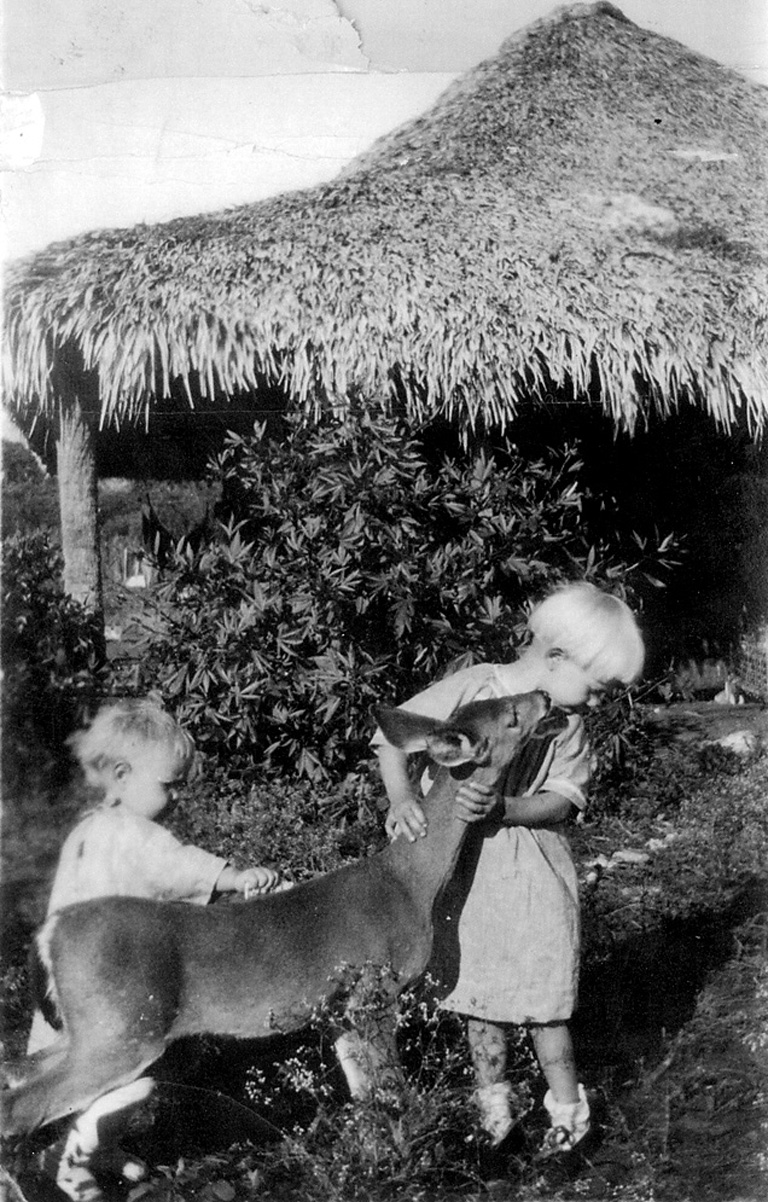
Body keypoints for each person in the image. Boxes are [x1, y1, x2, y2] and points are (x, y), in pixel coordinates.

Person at [375, 582, 644, 1162]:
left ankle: (569, 1118)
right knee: (479, 997)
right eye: (598, 689)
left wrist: (507, 809)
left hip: (529, 871)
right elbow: (394, 736)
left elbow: (567, 797)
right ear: (556, 658)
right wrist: (402, 800)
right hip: (462, 872)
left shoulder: (565, 721)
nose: (596, 704)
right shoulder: (476, 686)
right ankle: (494, 1118)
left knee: (545, 1003)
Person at [26, 696, 286, 1194]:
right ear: (122, 775)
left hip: (63, 970)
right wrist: (236, 877)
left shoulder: (86, 828)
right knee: (138, 1065)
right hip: (111, 975)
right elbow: (180, 866)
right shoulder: (136, 835)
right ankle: (77, 1154)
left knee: (62, 1062)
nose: (176, 798)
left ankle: (78, 1145)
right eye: (169, 786)